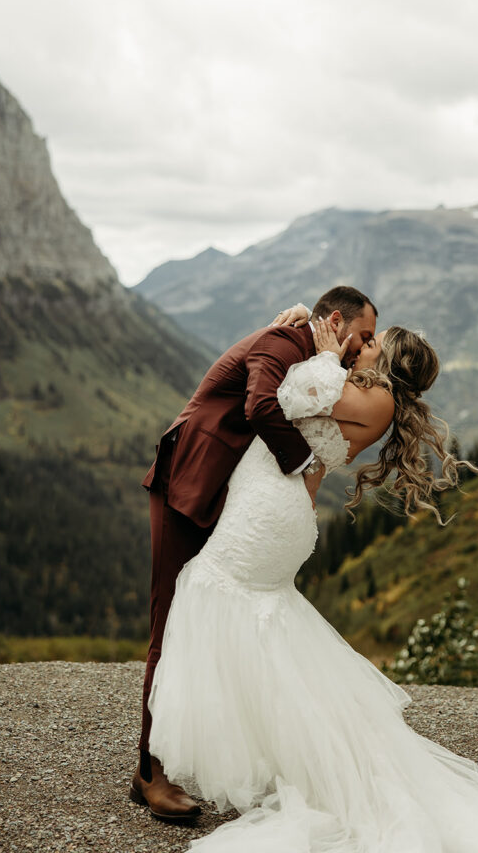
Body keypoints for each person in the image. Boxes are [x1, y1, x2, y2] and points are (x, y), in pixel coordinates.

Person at [146, 315, 478, 851]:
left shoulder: (371, 400)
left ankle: (241, 758)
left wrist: (313, 348)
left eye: (372, 342)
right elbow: (313, 453)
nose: (362, 346)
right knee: (257, 622)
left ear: (388, 360)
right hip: (278, 507)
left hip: (270, 512)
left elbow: (284, 397)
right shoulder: (367, 397)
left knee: (219, 597)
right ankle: (267, 753)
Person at [131, 287, 377, 820]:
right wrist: (302, 467)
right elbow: (261, 406)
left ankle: (174, 755)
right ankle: (150, 772)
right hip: (188, 480)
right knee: (169, 621)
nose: (363, 349)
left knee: (203, 617)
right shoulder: (280, 341)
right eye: (361, 337)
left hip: (226, 490)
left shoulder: (306, 347)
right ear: (335, 321)